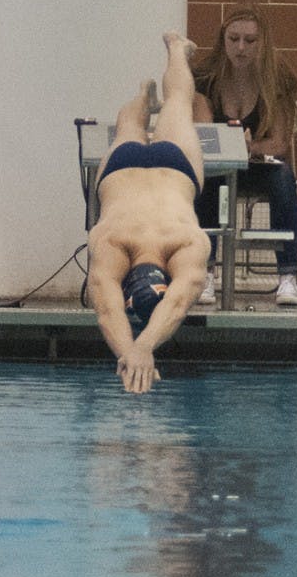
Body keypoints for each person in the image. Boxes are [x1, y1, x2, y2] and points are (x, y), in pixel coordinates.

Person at [87, 31, 210, 394]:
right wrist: (137, 349)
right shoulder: (111, 241)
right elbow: (108, 308)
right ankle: (144, 94)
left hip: (175, 169)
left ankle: (175, 52)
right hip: (122, 171)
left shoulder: (187, 242)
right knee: (129, 125)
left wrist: (136, 350)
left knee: (178, 104)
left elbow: (178, 301)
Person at [192, 2, 297, 306]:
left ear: (263, 42)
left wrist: (249, 148)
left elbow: (279, 143)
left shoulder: (279, 78)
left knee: (284, 176)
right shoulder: (205, 78)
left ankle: (288, 274)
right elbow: (204, 137)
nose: (241, 48)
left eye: (250, 41)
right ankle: (204, 271)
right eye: (234, 39)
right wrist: (230, 146)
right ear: (223, 40)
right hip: (220, 166)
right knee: (205, 178)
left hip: (258, 165)